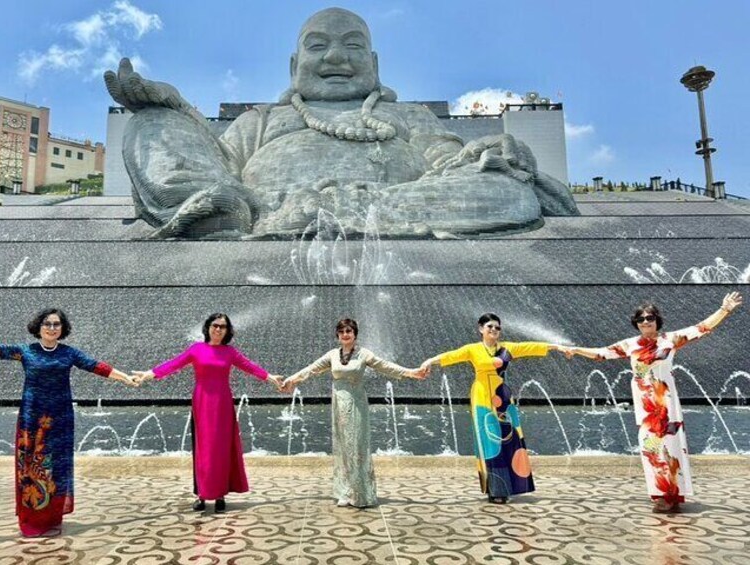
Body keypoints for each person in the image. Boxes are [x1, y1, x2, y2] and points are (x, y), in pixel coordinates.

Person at [104, 8, 577, 239]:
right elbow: (217, 161)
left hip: (395, 205)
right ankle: (222, 213)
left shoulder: (408, 115)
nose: (335, 57)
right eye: (317, 47)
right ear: (294, 66)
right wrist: (178, 112)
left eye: (352, 46)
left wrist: (488, 152)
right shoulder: (263, 120)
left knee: (506, 186)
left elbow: (449, 163)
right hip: (256, 202)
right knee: (152, 124)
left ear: (373, 62)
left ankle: (331, 214)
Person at [0, 308, 137, 537]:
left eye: (57, 324)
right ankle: (32, 521)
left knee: (56, 466)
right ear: (38, 327)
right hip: (32, 417)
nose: (52, 328)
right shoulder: (25, 351)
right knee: (31, 465)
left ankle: (51, 517)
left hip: (60, 418)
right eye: (47, 324)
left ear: (62, 329)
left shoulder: (69, 353)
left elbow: (97, 366)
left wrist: (125, 378)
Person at [564, 292, 743, 513]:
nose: (646, 322)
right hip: (645, 404)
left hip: (666, 400)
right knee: (651, 448)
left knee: (671, 446)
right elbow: (602, 353)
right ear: (636, 324)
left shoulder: (670, 339)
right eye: (641, 319)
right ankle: (662, 493)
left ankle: (670, 495)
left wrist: (724, 309)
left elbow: (702, 328)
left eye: (650, 318)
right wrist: (576, 350)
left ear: (657, 320)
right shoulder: (630, 345)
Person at [132, 313, 283, 513]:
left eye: (223, 326)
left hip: (222, 404)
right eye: (215, 325)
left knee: (220, 449)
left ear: (227, 331)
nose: (218, 329)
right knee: (203, 449)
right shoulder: (196, 349)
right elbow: (173, 364)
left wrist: (271, 378)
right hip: (202, 403)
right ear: (208, 328)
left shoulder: (230, 352)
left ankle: (220, 494)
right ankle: (201, 495)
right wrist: (149, 374)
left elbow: (249, 366)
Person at [421, 313, 567, 504]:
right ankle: (496, 489)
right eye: (490, 326)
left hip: (503, 397)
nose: (494, 330)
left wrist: (557, 346)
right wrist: (429, 362)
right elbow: (451, 356)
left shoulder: (508, 348)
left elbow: (532, 347)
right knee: (490, 444)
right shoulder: (472, 349)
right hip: (481, 398)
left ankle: (511, 486)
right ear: (481, 329)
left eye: (497, 328)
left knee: (511, 441)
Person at [281, 318, 426, 507]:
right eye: (341, 332)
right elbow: (311, 369)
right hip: (339, 405)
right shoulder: (333, 355)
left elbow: (385, 366)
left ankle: (361, 493)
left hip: (357, 404)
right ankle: (345, 491)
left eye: (349, 331)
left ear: (355, 334)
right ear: (337, 335)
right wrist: (292, 380)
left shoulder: (363, 354)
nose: (345, 334)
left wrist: (411, 372)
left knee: (357, 446)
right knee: (343, 447)